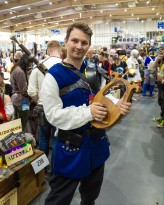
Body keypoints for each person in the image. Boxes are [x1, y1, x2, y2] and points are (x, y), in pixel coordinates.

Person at [40, 22, 131, 205]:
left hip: (97, 146)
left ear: (89, 45)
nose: (79, 46)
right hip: (69, 150)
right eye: (75, 40)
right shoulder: (53, 76)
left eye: (84, 42)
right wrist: (88, 113)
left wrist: (119, 107)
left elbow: (107, 99)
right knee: (58, 200)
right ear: (66, 41)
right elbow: (53, 115)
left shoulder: (94, 71)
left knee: (90, 198)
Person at [28, 40, 62, 158]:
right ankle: (56, 171)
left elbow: (31, 91)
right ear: (60, 50)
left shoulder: (37, 66)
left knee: (43, 139)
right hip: (60, 109)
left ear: (47, 50)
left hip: (42, 108)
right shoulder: (64, 65)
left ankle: (42, 170)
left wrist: (40, 101)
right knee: (57, 139)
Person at [10, 53, 31, 131]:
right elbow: (23, 90)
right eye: (29, 63)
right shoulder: (20, 71)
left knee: (17, 124)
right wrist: (31, 96)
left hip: (16, 99)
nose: (30, 65)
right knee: (22, 124)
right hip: (22, 100)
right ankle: (21, 141)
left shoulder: (15, 68)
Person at [152, 47, 164, 128]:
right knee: (160, 102)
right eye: (162, 52)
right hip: (160, 84)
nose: (162, 53)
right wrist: (157, 59)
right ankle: (162, 116)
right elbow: (153, 66)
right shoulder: (161, 60)